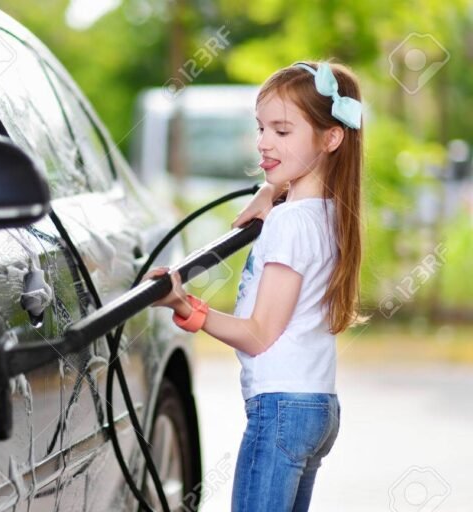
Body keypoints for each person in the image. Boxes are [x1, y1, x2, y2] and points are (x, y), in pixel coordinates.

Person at [144, 60, 366, 511]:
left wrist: (186, 305)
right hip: (316, 404)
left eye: (282, 131)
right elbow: (297, 187)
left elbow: (260, 334)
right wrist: (269, 191)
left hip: (281, 407)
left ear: (331, 138)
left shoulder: (289, 224)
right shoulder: (330, 214)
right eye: (261, 128)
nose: (263, 142)